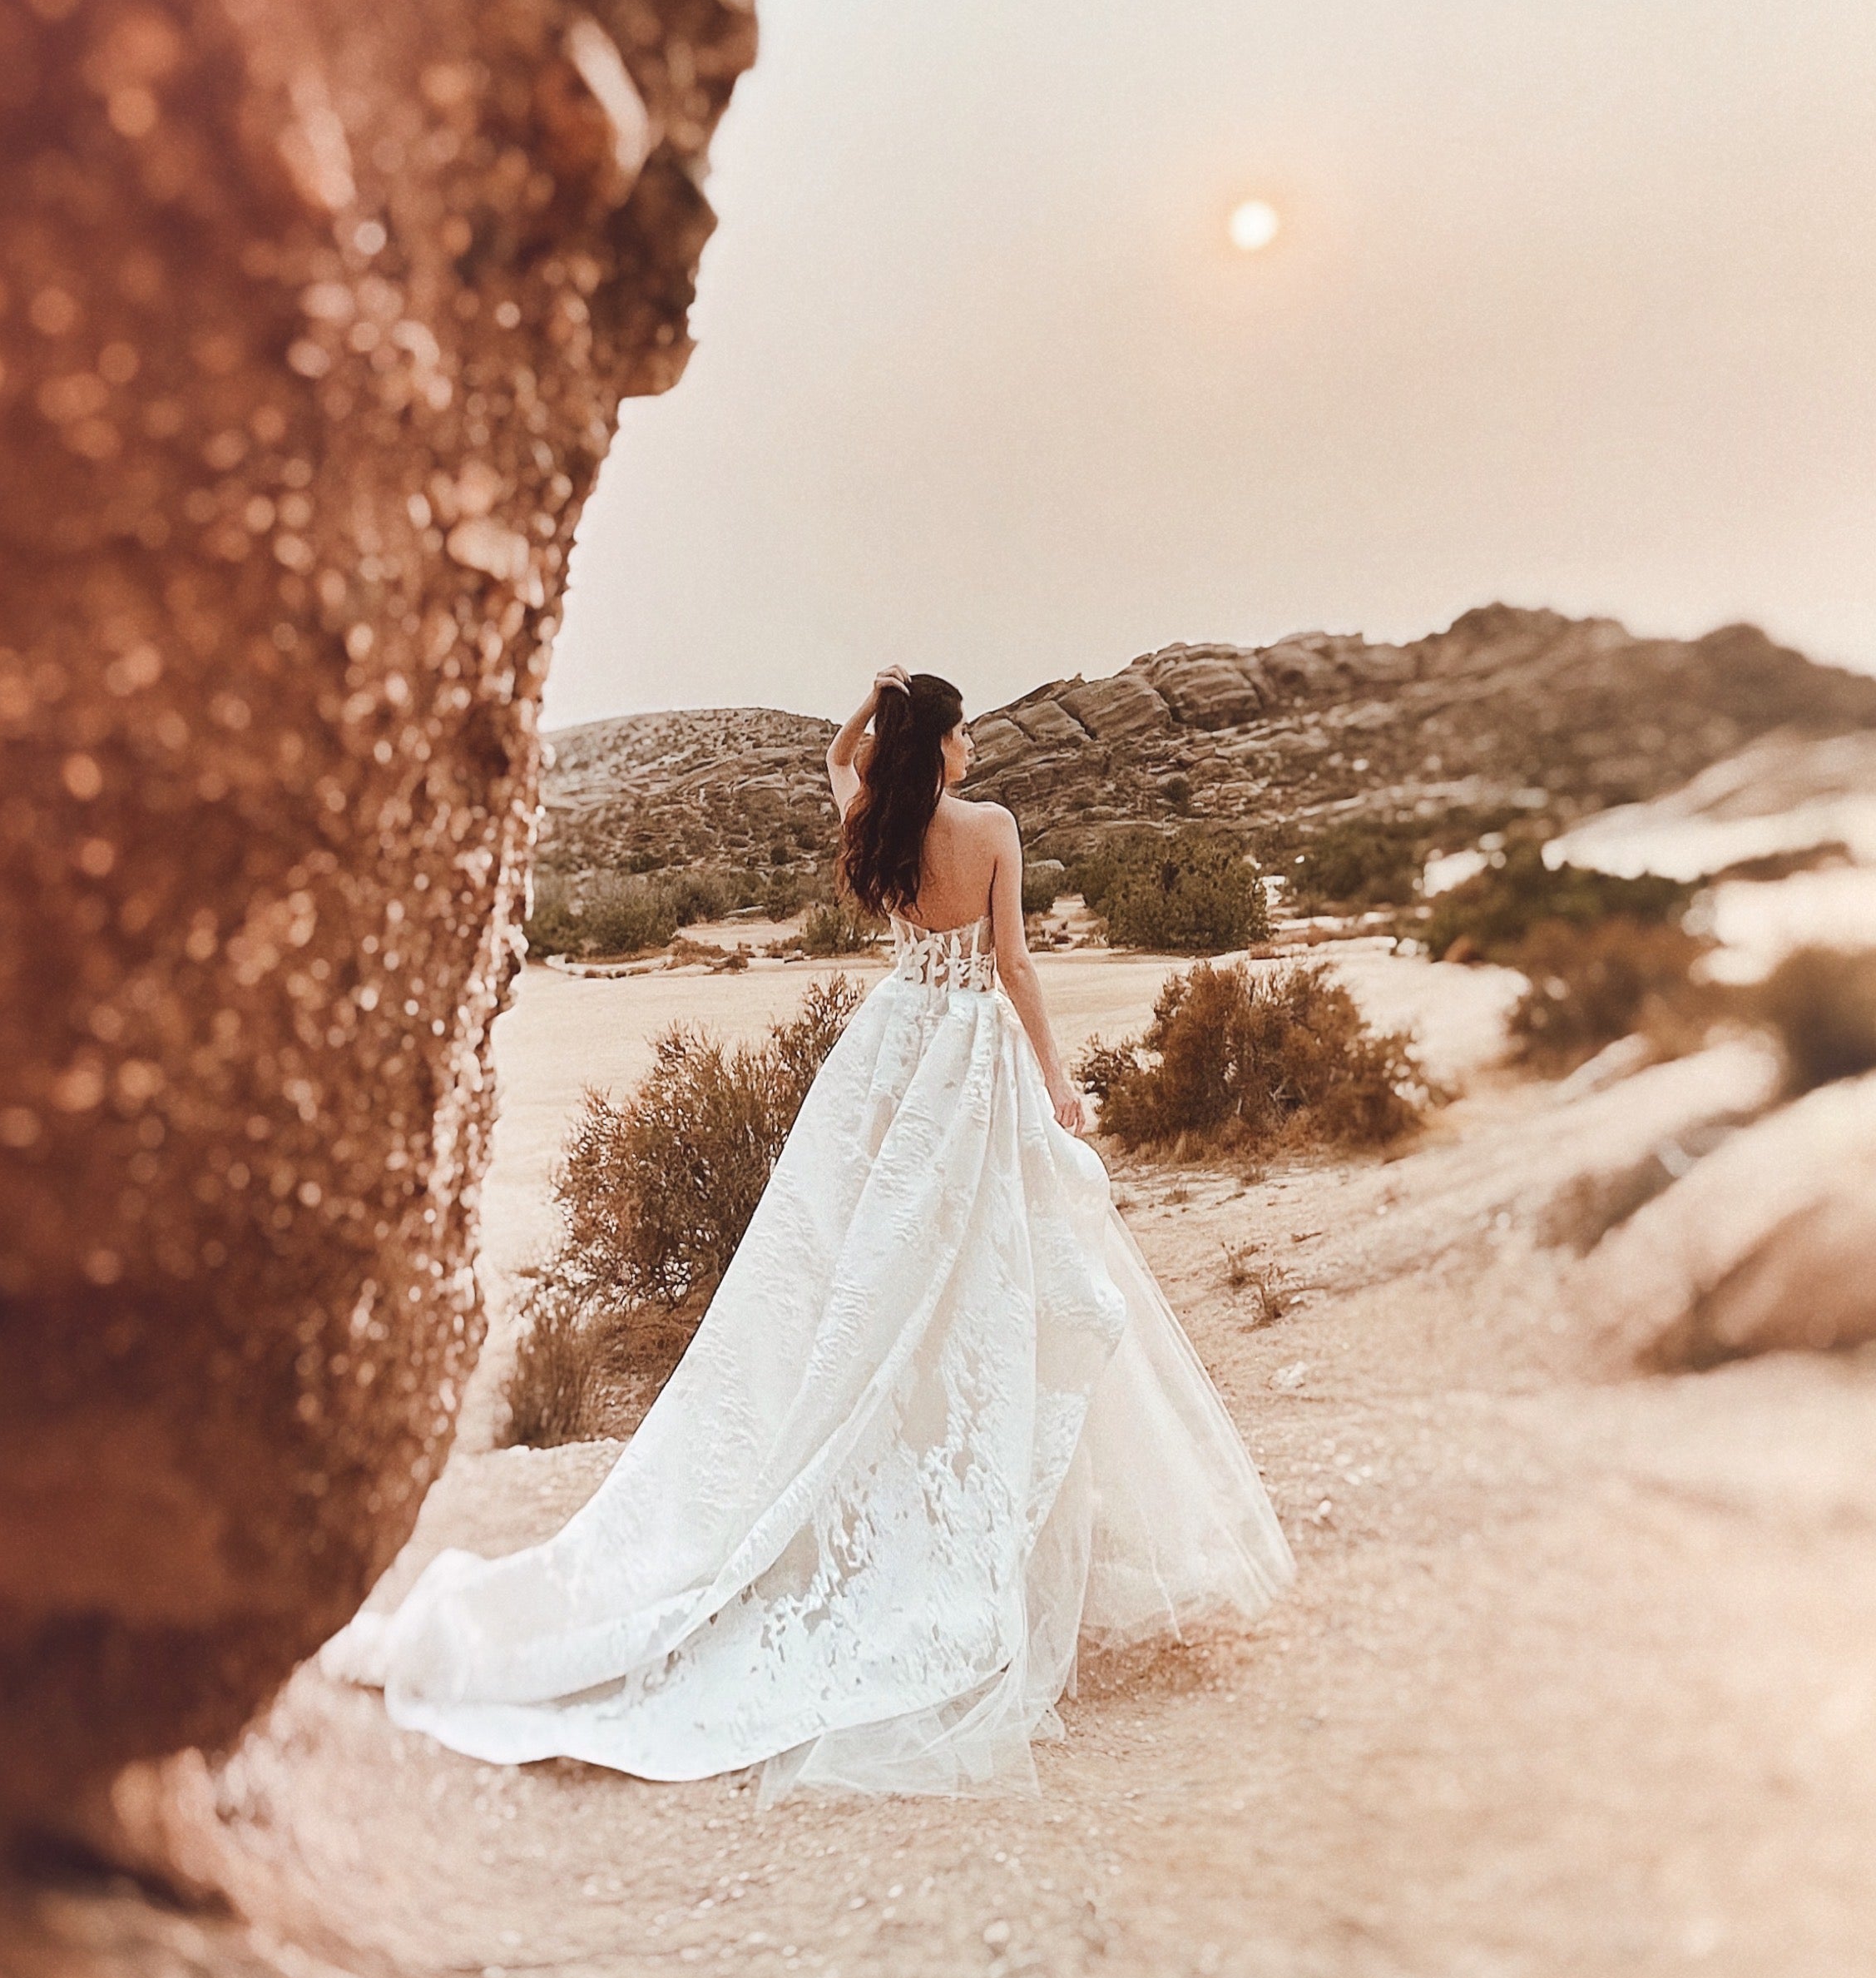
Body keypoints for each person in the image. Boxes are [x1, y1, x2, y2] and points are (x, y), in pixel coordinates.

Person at [324, 666, 1292, 1795]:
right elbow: (1015, 963)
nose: (973, 747)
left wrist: (865, 714)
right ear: (947, 743)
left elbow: (836, 765)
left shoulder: (872, 819)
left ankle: (907, 1495)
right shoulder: (988, 827)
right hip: (968, 1064)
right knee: (984, 1284)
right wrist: (1058, 1076)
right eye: (962, 732)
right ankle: (960, 1527)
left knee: (867, 1272)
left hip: (892, 1059)